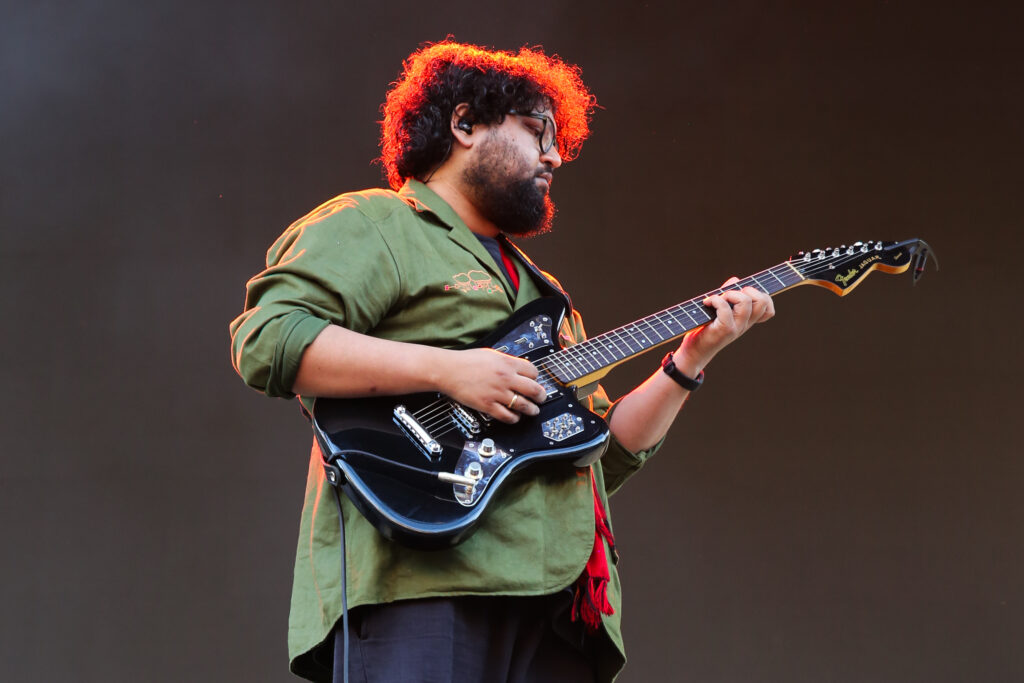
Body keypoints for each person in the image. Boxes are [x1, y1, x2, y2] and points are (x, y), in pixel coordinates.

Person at [230, 40, 774, 683]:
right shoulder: (377, 224)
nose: (554, 155)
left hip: (558, 605)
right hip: (424, 586)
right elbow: (269, 338)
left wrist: (690, 359)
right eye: (537, 131)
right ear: (463, 124)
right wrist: (448, 370)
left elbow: (602, 451)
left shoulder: (545, 294)